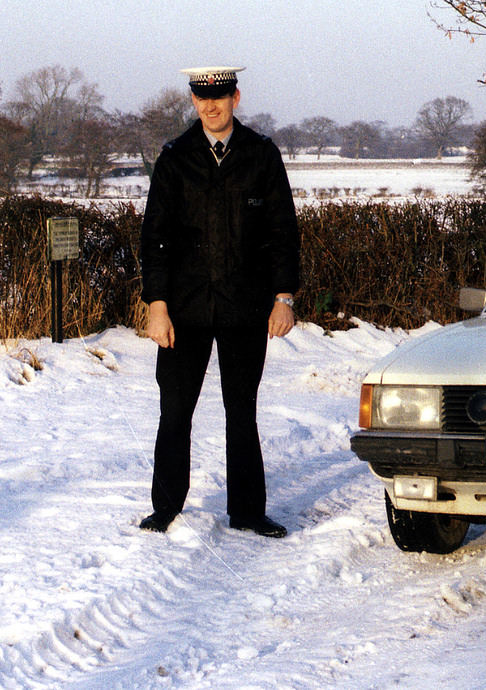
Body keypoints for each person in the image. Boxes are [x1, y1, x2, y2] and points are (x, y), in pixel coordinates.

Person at [138, 66, 300, 538]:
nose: (211, 106)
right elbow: (155, 239)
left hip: (245, 307)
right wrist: (157, 304)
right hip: (184, 310)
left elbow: (283, 234)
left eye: (220, 97)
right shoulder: (175, 159)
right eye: (201, 98)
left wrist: (283, 297)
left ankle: (248, 511)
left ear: (235, 98)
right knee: (175, 410)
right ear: (192, 101)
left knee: (241, 410)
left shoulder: (262, 155)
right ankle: (165, 508)